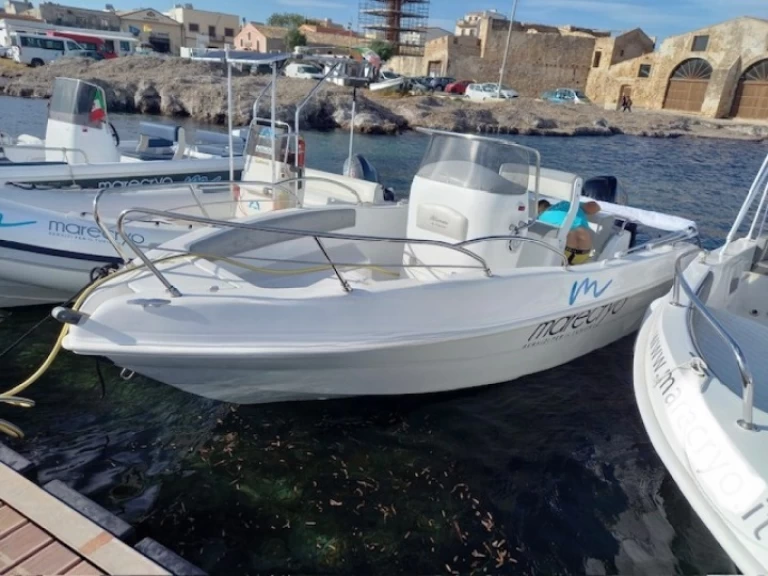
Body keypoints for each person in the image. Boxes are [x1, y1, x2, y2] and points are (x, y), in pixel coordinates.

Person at [537, 199, 601, 264]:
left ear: (539, 209)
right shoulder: (567, 204)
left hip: (563, 252)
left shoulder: (539, 219)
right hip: (584, 251)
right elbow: (595, 208)